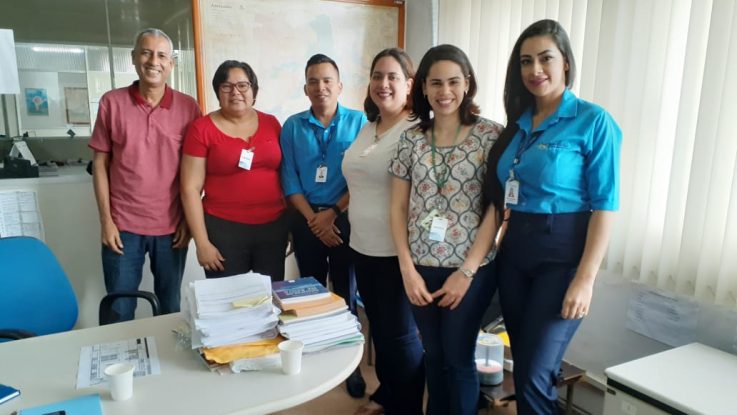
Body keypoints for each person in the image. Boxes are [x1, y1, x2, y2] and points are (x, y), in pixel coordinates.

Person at [484, 19, 622, 414]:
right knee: (528, 367)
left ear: (566, 63)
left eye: (545, 58)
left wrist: (585, 280)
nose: (535, 69)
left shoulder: (593, 121)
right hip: (514, 252)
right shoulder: (517, 124)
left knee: (533, 374)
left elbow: (605, 206)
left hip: (562, 255)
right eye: (526, 61)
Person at [389, 44, 503, 415]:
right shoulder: (410, 138)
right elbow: (398, 207)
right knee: (434, 356)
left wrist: (466, 272)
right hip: (420, 267)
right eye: (435, 83)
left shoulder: (491, 136)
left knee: (457, 357)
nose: (445, 91)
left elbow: (496, 209)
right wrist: (407, 270)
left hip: (471, 269)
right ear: (423, 87)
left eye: (453, 82)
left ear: (467, 83)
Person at [89, 28, 201, 322]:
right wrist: (106, 222)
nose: (154, 61)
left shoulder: (188, 108)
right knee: (119, 311)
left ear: (171, 64)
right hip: (122, 227)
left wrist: (189, 221)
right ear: (134, 57)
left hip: (172, 227)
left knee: (169, 309)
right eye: (146, 53)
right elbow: (100, 165)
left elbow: (197, 170)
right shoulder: (111, 103)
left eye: (162, 55)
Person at [279, 53, 368, 397]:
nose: (321, 87)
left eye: (327, 80)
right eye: (313, 81)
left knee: (345, 291)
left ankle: (351, 365)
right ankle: (317, 360)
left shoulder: (359, 122)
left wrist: (332, 212)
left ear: (339, 86)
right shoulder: (292, 126)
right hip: (305, 219)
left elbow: (362, 177)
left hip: (345, 217)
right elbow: (290, 181)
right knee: (311, 293)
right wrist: (314, 221)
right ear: (305, 88)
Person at [342, 48, 424, 415]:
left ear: (409, 85)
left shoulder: (417, 129)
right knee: (380, 329)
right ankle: (387, 393)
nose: (383, 84)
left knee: (401, 339)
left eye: (393, 77)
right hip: (362, 246)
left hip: (396, 252)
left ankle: (406, 407)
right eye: (377, 76)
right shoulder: (369, 126)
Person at [180, 60, 288, 280]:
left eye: (242, 85)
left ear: (253, 90)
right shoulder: (201, 129)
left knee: (271, 295)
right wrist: (202, 243)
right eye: (226, 86)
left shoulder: (272, 123)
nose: (235, 92)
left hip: (273, 228)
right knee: (227, 298)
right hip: (223, 230)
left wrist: (291, 227)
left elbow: (286, 176)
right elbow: (190, 188)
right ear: (218, 92)